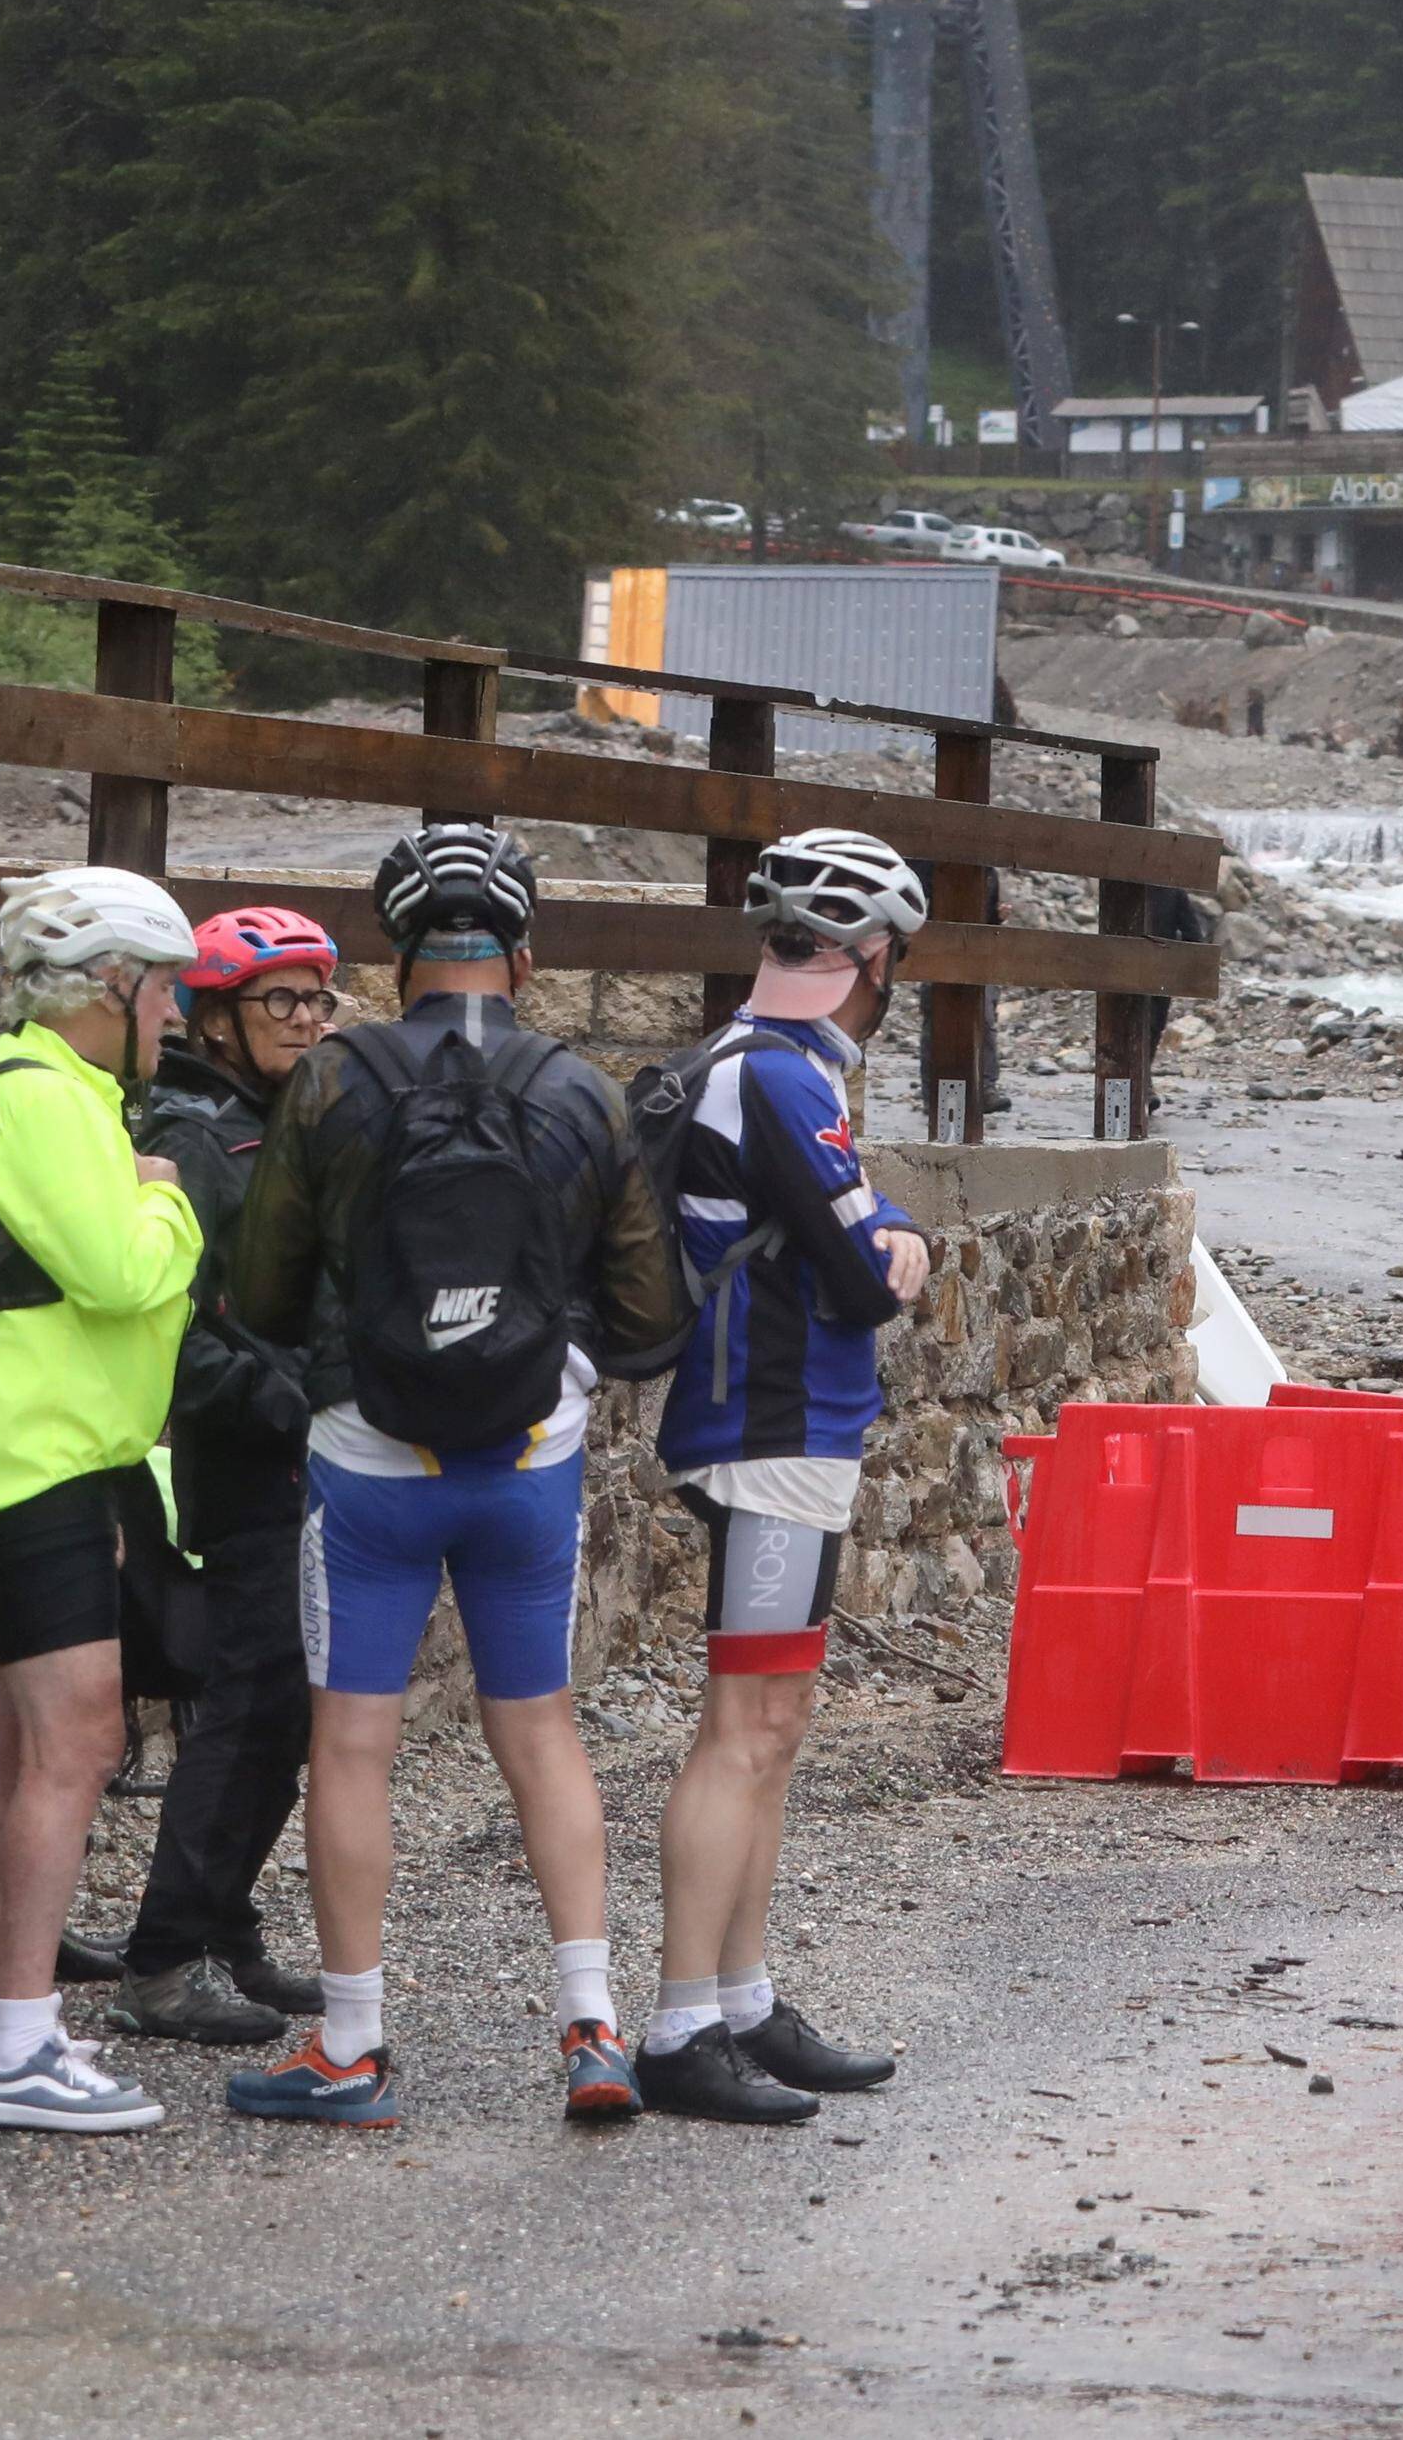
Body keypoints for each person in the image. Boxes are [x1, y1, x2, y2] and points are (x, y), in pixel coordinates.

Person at [223, 823, 682, 2129]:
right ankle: (592, 2028)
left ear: (396, 958)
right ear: (523, 959)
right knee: (539, 1729)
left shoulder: (333, 1080)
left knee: (352, 1744)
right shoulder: (579, 1090)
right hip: (528, 1461)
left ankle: (352, 2045)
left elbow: (262, 1293)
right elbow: (651, 1318)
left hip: (371, 1460)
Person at [637, 826, 937, 2125]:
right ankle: (679, 2026)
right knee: (744, 1728)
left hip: (780, 1425)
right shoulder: (777, 1075)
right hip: (769, 1423)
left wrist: (885, 1227)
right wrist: (896, 1243)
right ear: (873, 958)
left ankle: (744, 2000)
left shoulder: (770, 1063)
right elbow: (864, 1274)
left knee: (777, 1723)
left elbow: (845, 1221)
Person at [0, 866, 204, 2132]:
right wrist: (168, 1198)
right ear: (110, 984)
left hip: (7, 1464)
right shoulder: (45, 1100)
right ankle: (17, 2044)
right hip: (38, 1468)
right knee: (73, 1744)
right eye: (167, 987)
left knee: (4, 1752)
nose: (178, 1012)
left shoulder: (35, 1089)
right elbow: (122, 1275)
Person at [100, 907, 343, 2046]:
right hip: (248, 1465)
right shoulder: (198, 1141)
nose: (307, 1018)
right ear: (213, 1018)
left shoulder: (283, 1120)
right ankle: (160, 1962)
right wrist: (280, 1400)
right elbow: (173, 1332)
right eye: (279, 999)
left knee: (282, 1710)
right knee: (247, 1707)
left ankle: (225, 1927)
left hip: (300, 1457)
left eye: (318, 997)